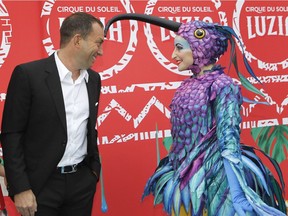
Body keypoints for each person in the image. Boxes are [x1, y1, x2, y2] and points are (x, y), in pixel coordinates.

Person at [104, 14, 287, 216]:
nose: (174, 55)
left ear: (201, 48)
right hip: (184, 177)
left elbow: (229, 140)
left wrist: (237, 194)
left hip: (216, 182)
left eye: (180, 48)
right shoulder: (187, 86)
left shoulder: (223, 86)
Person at [1, 12, 104, 216]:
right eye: (98, 42)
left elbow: (88, 128)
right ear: (77, 40)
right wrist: (20, 187)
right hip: (41, 186)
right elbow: (11, 135)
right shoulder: (29, 75)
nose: (100, 51)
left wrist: (93, 171)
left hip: (82, 183)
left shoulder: (93, 79)